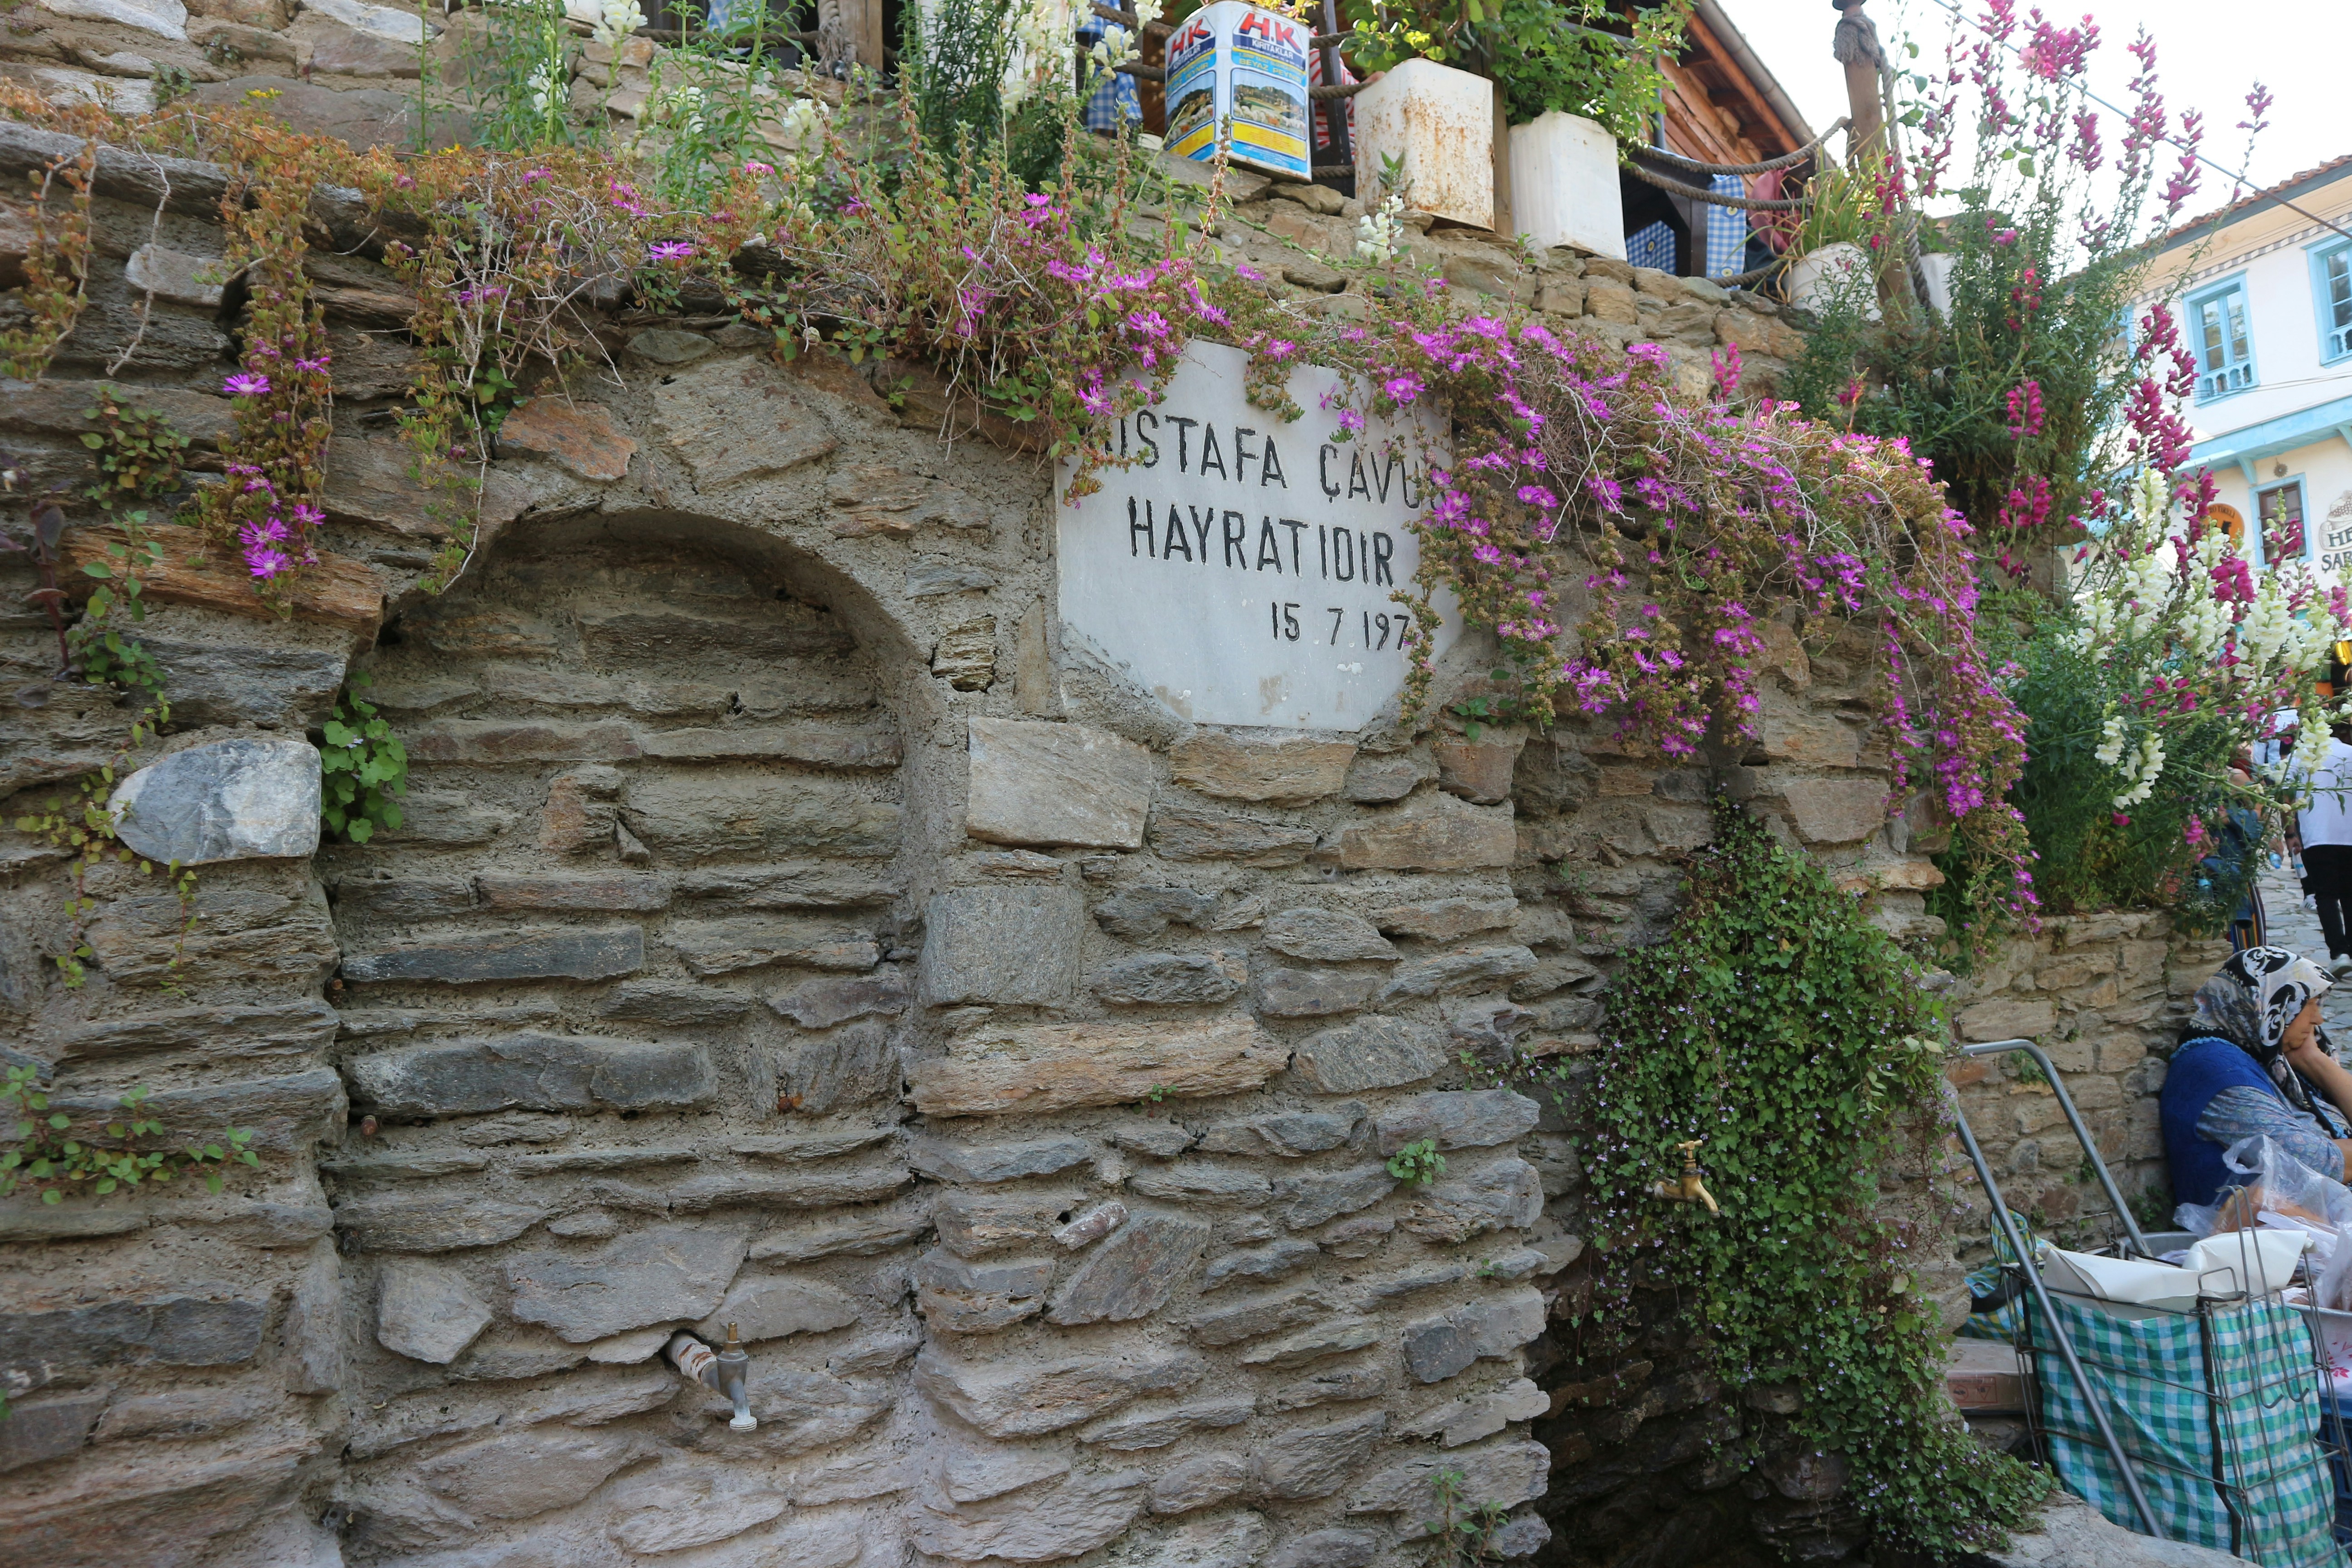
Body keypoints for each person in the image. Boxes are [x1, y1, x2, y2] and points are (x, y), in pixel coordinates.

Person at [2161, 947, 2352, 1210]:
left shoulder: (2270, 1055)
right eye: (2308, 1004)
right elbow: (2320, 1162)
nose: (2318, 1018)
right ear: (2269, 1004)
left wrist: (2314, 1060)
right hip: (2271, 1235)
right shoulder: (2217, 1071)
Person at [2298, 721, 2352, 976]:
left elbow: (2287, 794)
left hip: (2318, 835)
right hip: (2349, 835)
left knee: (2326, 896)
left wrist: (2290, 833)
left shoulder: (2302, 757)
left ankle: (2339, 953)